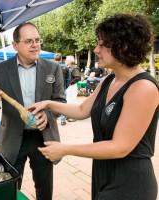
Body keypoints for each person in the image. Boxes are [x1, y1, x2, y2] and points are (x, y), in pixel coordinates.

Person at [28, 13, 158, 200]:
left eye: (102, 45)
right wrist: (48, 104)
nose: (96, 50)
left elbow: (120, 147)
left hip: (130, 181)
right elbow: (82, 110)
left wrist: (65, 149)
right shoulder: (110, 79)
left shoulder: (142, 87)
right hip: (103, 172)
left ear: (123, 46)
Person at [0, 22, 66, 200]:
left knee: (44, 188)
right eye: (29, 41)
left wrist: (48, 114)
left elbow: (60, 101)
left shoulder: (53, 68)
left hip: (43, 137)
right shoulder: (1, 69)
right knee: (11, 187)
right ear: (15, 45)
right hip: (13, 137)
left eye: (37, 40)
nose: (35, 45)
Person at [53, 53, 70, 126]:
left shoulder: (51, 66)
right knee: (63, 104)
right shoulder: (65, 67)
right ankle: (63, 120)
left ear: (54, 59)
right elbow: (68, 79)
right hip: (62, 88)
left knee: (52, 104)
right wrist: (65, 87)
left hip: (52, 88)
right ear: (61, 59)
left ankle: (53, 119)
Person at [65, 55, 81, 122]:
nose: (65, 61)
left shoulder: (74, 68)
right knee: (68, 101)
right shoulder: (68, 67)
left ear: (70, 61)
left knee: (72, 101)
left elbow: (78, 77)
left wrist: (70, 83)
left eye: (66, 60)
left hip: (72, 86)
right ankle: (69, 115)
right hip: (69, 86)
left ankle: (74, 116)